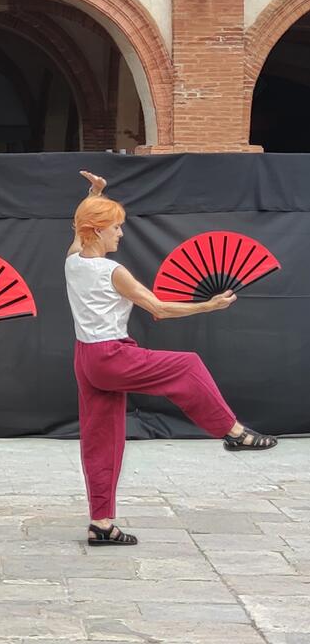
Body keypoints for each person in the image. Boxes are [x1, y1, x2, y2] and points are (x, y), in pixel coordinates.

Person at [65, 170, 278, 547]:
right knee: (188, 365)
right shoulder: (113, 271)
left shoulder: (73, 261)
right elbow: (158, 309)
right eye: (116, 227)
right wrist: (207, 305)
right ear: (97, 230)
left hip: (86, 358)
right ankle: (232, 432)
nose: (121, 233)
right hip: (111, 354)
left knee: (102, 440)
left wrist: (95, 193)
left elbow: (76, 228)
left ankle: (101, 523)